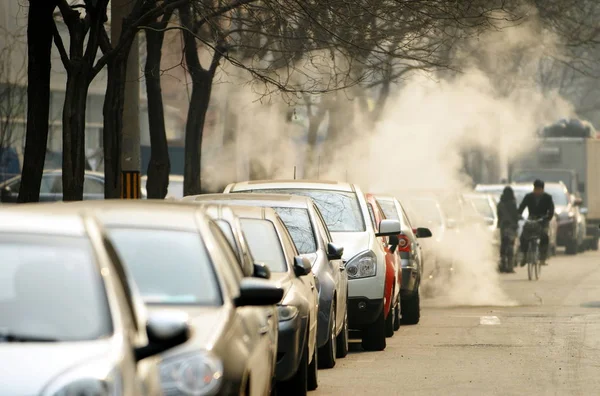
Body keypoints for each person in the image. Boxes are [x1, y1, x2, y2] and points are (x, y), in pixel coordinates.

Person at [518, 179, 555, 266]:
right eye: (535, 189)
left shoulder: (548, 198)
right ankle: (524, 255)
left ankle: (542, 258)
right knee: (523, 236)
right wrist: (519, 214)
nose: (537, 191)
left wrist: (547, 218)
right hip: (531, 219)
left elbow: (551, 211)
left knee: (545, 237)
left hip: (543, 220)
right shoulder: (528, 197)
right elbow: (521, 207)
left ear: (542, 189)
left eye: (539, 189)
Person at [497, 186, 519, 273]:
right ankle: (510, 266)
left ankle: (502, 265)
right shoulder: (512, 203)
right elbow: (515, 215)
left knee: (503, 245)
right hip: (511, 227)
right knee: (510, 245)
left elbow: (499, 216)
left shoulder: (500, 204)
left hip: (503, 227)